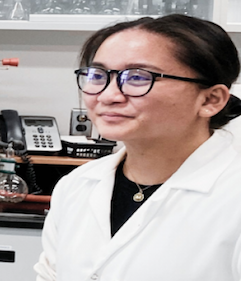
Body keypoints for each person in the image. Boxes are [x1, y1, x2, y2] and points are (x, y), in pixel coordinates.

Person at [35, 14, 241, 280]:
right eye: (97, 75)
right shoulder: (76, 185)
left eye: (138, 78)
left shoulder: (232, 196)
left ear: (210, 100)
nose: (108, 96)